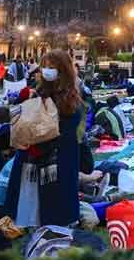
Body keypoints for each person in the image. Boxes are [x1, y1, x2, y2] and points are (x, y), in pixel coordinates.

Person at [5, 50, 84, 227]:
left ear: (62, 70)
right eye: (45, 66)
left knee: (54, 200)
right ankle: (28, 223)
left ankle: (55, 224)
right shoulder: (38, 91)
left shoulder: (70, 97)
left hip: (56, 157)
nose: (47, 70)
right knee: (30, 195)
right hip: (31, 155)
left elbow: (67, 129)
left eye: (52, 67)